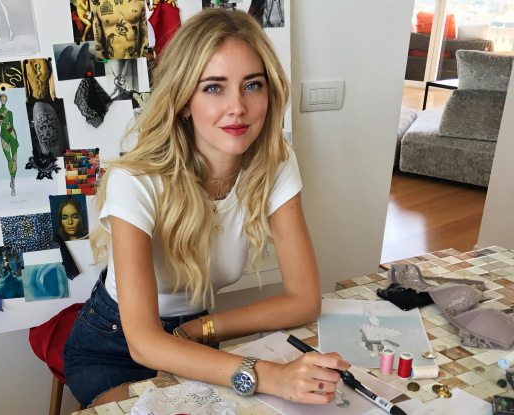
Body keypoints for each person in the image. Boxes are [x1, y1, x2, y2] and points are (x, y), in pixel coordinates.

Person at [63, 7, 351, 408]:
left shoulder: (276, 162)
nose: (238, 107)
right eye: (214, 87)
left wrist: (202, 329)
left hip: (198, 338)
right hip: (114, 347)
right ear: (184, 101)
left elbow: (304, 299)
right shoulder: (135, 180)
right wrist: (271, 376)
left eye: (252, 85)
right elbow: (144, 343)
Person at [0, 94, 18, 196]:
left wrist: (15, 138)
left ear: (6, 100)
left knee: (14, 159)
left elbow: (12, 126)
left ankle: (13, 182)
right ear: (0, 100)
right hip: (3, 135)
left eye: (5, 99)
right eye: (2, 99)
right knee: (9, 160)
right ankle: (11, 178)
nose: (3, 101)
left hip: (12, 135)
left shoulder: (10, 113)